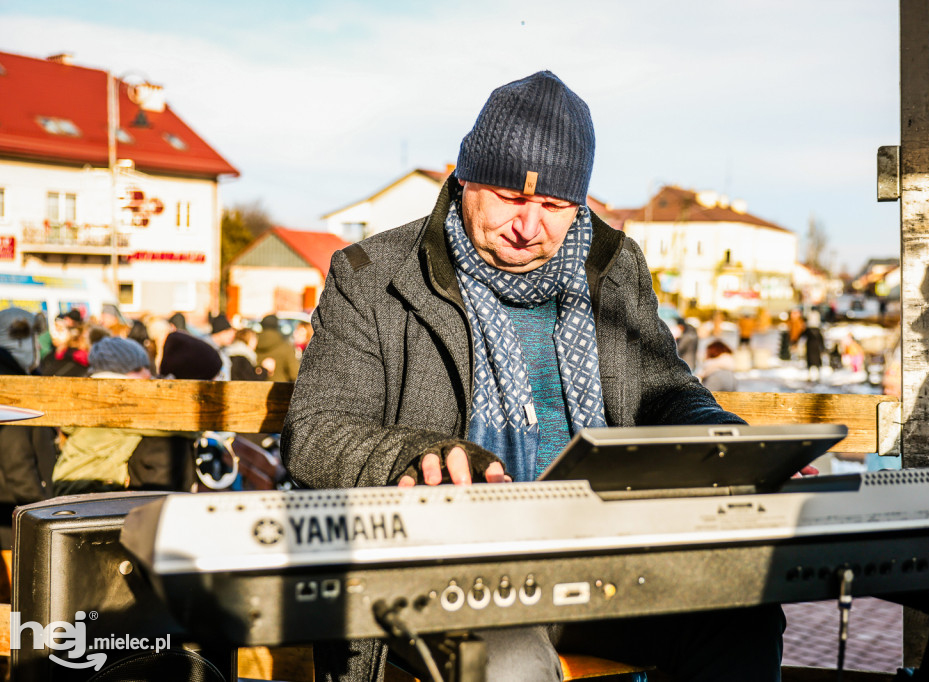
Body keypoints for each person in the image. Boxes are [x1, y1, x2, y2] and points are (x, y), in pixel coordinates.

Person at [283, 71, 784, 682]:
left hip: (603, 564)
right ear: (465, 177)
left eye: (553, 207)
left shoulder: (615, 266)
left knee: (743, 612)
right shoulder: (370, 274)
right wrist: (417, 455)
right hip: (446, 573)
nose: (529, 226)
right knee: (509, 659)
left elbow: (664, 390)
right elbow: (316, 431)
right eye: (511, 199)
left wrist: (727, 442)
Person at [53, 337, 196, 495]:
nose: (147, 374)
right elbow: (175, 425)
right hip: (85, 488)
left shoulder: (98, 397)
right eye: (137, 370)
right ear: (113, 375)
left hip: (77, 485)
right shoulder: (114, 404)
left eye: (146, 367)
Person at [0, 308, 57, 548]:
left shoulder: (24, 378)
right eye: (32, 339)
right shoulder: (11, 386)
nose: (39, 347)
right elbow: (17, 461)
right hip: (15, 521)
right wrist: (41, 514)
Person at [255, 314, 301, 381]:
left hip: (257, 388)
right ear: (277, 326)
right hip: (279, 388)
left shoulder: (253, 345)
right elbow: (294, 374)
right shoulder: (286, 347)